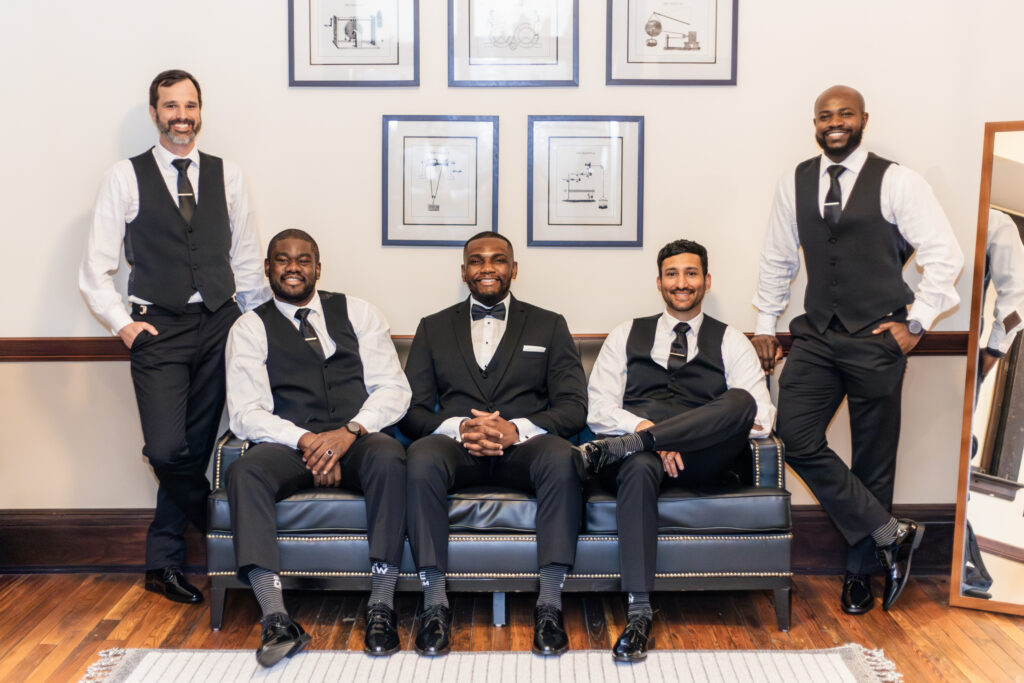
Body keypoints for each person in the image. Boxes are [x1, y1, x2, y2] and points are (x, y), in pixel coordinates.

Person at [751, 85, 964, 615]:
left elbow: (945, 253)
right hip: (817, 335)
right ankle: (891, 533)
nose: (834, 122)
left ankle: (859, 574)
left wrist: (917, 322)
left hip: (878, 336)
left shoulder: (897, 180)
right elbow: (778, 258)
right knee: (794, 437)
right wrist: (763, 323)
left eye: (844, 113)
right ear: (815, 124)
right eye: (825, 116)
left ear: (863, 119)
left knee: (874, 456)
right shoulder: (795, 181)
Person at [79, 69, 264, 604]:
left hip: (220, 324)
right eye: (169, 106)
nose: (180, 115)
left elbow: (246, 260)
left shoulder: (228, 175)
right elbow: (96, 267)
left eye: (189, 105)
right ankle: (220, 523)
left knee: (199, 445)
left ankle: (162, 563)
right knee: (166, 449)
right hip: (157, 327)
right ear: (154, 112)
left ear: (201, 110)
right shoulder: (124, 176)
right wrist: (125, 327)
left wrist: (250, 327)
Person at [576, 239, 775, 661]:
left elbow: (760, 421)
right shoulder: (625, 333)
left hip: (701, 461)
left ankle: (645, 443)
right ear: (659, 282)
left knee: (741, 401)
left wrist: (674, 437)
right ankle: (639, 611)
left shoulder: (732, 340)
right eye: (672, 274)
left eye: (690, 273)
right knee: (638, 466)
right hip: (632, 458)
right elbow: (598, 410)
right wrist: (647, 430)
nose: (681, 283)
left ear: (706, 280)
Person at [224, 229, 411, 667]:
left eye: (303, 259)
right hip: (291, 441)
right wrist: (308, 441)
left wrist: (349, 432)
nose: (293, 267)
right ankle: (276, 617)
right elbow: (246, 412)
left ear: (317, 268)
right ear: (268, 268)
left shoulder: (359, 313)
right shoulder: (249, 327)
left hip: (356, 436)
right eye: (282, 259)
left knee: (391, 457)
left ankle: (381, 605)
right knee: (244, 471)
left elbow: (393, 389)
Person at [400, 232, 588, 657]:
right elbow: (410, 412)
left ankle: (550, 604)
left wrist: (516, 429)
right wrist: (458, 429)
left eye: (498, 259)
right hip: (456, 448)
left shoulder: (550, 324)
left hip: (526, 449)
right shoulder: (432, 326)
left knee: (562, 458)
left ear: (514, 269)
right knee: (421, 457)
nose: (487, 268)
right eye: (477, 261)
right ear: (463, 271)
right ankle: (434, 604)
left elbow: (574, 407)